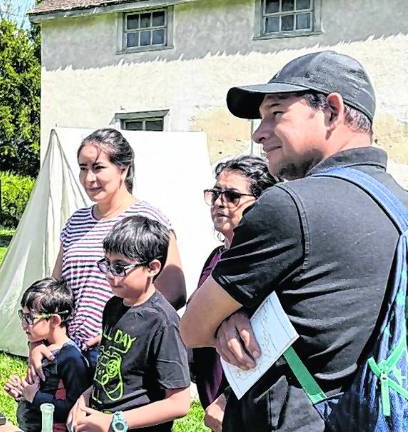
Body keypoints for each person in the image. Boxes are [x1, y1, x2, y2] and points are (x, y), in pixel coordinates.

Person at [181, 50, 408, 431]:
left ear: (332, 110)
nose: (259, 132)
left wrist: (225, 319)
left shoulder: (289, 205)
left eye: (276, 112)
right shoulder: (400, 204)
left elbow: (192, 328)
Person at [31, 128, 186, 379]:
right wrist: (37, 342)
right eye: (83, 168)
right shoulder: (75, 222)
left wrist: (120, 332)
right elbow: (54, 291)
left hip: (123, 357)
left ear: (123, 169)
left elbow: (174, 293)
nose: (89, 178)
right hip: (69, 356)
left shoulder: (149, 220)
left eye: (98, 167)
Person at [69, 216, 190, 432]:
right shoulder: (113, 306)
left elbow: (179, 403)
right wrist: (85, 398)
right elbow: (110, 371)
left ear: (152, 267)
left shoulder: (162, 322)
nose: (109, 274)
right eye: (106, 263)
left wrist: (114, 422)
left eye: (119, 267)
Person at [191, 155, 278, 432]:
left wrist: (229, 396)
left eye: (232, 196)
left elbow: (274, 342)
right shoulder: (216, 257)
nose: (219, 202)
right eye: (216, 193)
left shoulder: (265, 263)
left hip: (249, 407)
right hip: (215, 403)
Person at [4, 278, 91, 432]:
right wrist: (22, 393)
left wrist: (34, 397)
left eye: (30, 318)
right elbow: (43, 392)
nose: (23, 324)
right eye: (23, 315)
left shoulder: (72, 358)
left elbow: (74, 408)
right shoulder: (42, 348)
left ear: (55, 320)